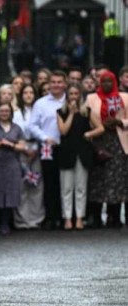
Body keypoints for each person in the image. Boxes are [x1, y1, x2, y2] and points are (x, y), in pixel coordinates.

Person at [85, 70, 128, 228]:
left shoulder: (124, 97)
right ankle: (95, 216)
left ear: (115, 82)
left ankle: (114, 216)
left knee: (117, 180)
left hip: (118, 141)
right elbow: (87, 116)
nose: (107, 84)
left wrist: (119, 122)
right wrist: (101, 125)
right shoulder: (91, 98)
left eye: (110, 81)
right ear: (100, 83)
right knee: (98, 179)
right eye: (104, 81)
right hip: (99, 140)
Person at [56, 83, 99, 230]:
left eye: (76, 94)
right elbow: (63, 131)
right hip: (67, 153)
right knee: (66, 188)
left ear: (80, 95)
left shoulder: (87, 111)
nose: (73, 97)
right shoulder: (60, 112)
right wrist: (71, 114)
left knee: (81, 188)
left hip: (82, 152)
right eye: (71, 94)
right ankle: (68, 218)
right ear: (67, 96)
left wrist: (90, 133)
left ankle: (80, 217)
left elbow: (100, 128)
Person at [29, 70, 67, 230]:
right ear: (49, 84)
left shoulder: (71, 101)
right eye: (54, 82)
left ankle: (64, 216)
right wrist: (45, 138)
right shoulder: (41, 103)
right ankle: (51, 217)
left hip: (67, 147)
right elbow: (32, 125)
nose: (56, 85)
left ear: (64, 84)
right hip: (48, 147)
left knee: (65, 184)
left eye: (59, 82)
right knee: (50, 183)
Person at [0, 103, 27, 235]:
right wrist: (0, 143)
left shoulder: (17, 128)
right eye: (1, 111)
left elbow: (23, 146)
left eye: (7, 111)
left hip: (11, 164)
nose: (4, 113)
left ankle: (5, 223)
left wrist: (10, 144)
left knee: (10, 192)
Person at [13, 84, 45, 229]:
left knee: (36, 184)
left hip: (37, 147)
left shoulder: (39, 111)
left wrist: (36, 149)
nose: (28, 95)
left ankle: (36, 219)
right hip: (21, 148)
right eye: (25, 92)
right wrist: (24, 148)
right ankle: (21, 220)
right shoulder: (16, 112)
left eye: (31, 92)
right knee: (21, 184)